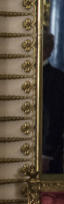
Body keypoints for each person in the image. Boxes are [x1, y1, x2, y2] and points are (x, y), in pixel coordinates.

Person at [42, 27, 64, 173]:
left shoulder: (57, 78)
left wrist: (46, 154)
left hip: (48, 154)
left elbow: (55, 119)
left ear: (48, 50)